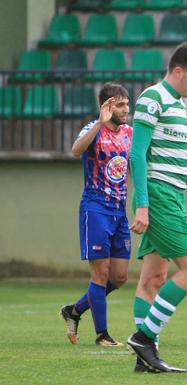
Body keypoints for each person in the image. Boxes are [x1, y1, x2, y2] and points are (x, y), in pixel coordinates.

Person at [126, 43, 187, 373]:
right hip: (159, 196)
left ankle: (144, 361)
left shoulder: (178, 104)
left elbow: (185, 159)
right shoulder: (152, 98)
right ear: (177, 71)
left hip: (174, 196)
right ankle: (144, 337)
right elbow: (136, 154)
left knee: (153, 278)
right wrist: (143, 205)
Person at [60, 83, 132, 347]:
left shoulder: (129, 133)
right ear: (107, 106)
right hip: (96, 208)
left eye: (127, 103)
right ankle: (102, 335)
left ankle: (74, 310)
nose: (126, 109)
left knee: (120, 277)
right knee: (100, 274)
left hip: (120, 211)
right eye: (120, 104)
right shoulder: (93, 129)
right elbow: (76, 150)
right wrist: (99, 124)